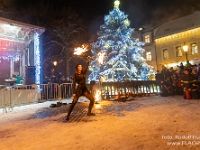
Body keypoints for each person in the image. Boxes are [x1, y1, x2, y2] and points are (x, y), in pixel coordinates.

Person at [65, 56, 95, 121]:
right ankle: (68, 115)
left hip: (84, 89)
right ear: (77, 68)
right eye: (79, 66)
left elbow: (86, 67)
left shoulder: (83, 72)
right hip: (79, 89)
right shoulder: (75, 75)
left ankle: (89, 112)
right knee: (74, 102)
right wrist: (74, 92)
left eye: (81, 66)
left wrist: (88, 60)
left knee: (92, 99)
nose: (80, 67)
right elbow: (73, 84)